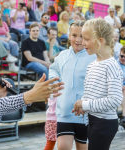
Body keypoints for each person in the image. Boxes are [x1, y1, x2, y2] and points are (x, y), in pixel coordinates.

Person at [73, 18, 123, 150]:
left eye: (86, 39)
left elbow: (115, 100)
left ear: (101, 41)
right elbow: (91, 92)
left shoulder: (111, 66)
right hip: (93, 119)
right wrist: (84, 104)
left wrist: (85, 104)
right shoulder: (91, 66)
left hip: (105, 123)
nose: (82, 43)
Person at [49, 20, 96, 150]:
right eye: (74, 35)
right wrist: (54, 80)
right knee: (63, 147)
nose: (78, 40)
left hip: (84, 115)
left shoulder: (93, 57)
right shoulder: (62, 56)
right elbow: (53, 69)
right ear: (69, 35)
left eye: (82, 36)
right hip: (64, 112)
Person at [117, 47, 125, 127]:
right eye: (121, 56)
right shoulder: (115, 64)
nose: (123, 58)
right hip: (118, 88)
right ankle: (123, 115)